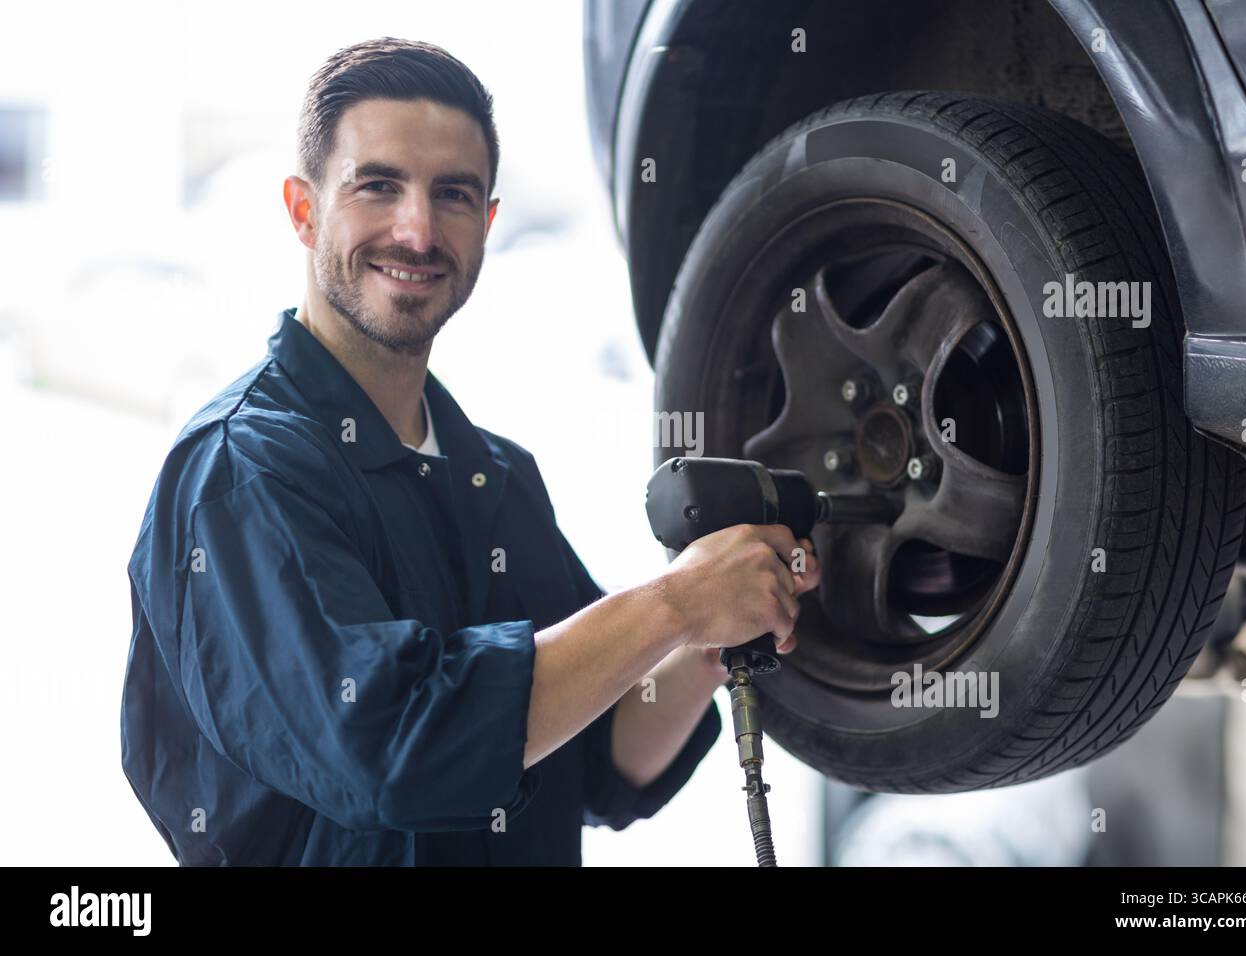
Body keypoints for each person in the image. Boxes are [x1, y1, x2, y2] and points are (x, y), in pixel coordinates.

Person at [120, 37, 820, 865]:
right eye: (378, 185)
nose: (417, 231)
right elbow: (398, 749)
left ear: (486, 223)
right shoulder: (242, 474)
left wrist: (709, 637)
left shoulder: (497, 474)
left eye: (452, 194)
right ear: (304, 209)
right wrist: (672, 603)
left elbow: (602, 754)